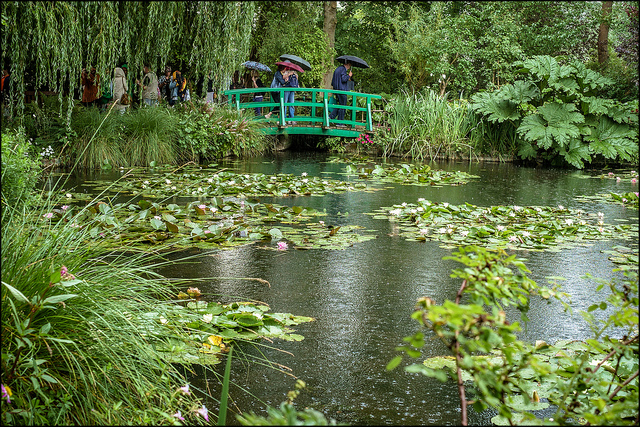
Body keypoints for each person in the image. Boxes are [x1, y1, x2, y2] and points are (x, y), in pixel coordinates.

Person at [329, 61, 352, 125]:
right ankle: (340, 123)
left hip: (336, 90)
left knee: (340, 105)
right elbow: (343, 79)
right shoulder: (343, 70)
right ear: (347, 64)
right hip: (342, 90)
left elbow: (333, 81)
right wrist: (349, 76)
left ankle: (331, 116)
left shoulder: (337, 69)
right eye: (349, 66)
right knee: (343, 106)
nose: (349, 67)